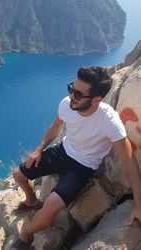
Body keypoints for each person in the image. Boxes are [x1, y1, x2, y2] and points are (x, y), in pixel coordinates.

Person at [10, 67, 141, 250]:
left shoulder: (109, 122)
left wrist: (138, 204)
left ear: (96, 99)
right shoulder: (67, 104)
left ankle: (26, 235)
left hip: (82, 167)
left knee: (49, 208)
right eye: (72, 88)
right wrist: (39, 149)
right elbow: (55, 128)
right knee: (18, 175)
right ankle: (31, 200)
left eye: (78, 94)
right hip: (63, 151)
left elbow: (129, 162)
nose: (72, 96)